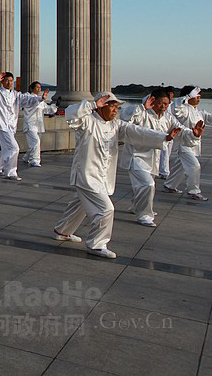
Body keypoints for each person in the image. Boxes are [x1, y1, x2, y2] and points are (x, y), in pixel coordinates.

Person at [53, 92, 178, 258]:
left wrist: (164, 137)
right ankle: (97, 244)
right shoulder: (87, 121)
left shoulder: (116, 125)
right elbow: (71, 114)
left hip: (102, 176)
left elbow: (138, 132)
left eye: (116, 107)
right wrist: (91, 105)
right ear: (101, 106)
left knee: (80, 203)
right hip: (86, 175)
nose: (115, 110)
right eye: (111, 106)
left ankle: (62, 231)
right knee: (106, 209)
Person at [120, 89, 197, 225]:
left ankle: (136, 206)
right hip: (136, 157)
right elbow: (124, 119)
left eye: (166, 104)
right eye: (160, 103)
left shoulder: (167, 117)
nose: (163, 106)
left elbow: (180, 129)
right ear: (153, 101)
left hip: (153, 158)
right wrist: (141, 107)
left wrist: (193, 134)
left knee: (142, 186)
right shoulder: (141, 112)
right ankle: (145, 215)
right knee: (147, 184)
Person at [163, 86, 212, 201]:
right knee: (194, 166)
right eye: (197, 95)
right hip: (183, 144)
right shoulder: (182, 109)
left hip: (193, 144)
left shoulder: (197, 111)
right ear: (189, 97)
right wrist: (188, 95)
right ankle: (194, 191)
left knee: (180, 166)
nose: (199, 97)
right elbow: (176, 105)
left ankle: (169, 185)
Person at [0, 72, 43, 181]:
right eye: (7, 80)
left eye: (11, 81)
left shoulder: (16, 94)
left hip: (11, 125)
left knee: (6, 149)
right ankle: (10, 172)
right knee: (14, 148)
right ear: (2, 81)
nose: (9, 83)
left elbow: (28, 100)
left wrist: (40, 99)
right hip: (1, 124)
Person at [21, 81, 58, 167]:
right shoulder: (28, 97)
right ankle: (34, 160)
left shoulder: (41, 100)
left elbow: (47, 109)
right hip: (30, 124)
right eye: (37, 87)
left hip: (39, 125)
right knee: (35, 141)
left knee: (34, 144)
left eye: (40, 88)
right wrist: (42, 98)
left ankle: (26, 158)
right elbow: (33, 101)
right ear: (32, 88)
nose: (39, 89)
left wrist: (55, 106)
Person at [156, 90, 176, 179]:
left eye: (166, 104)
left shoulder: (171, 106)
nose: (163, 106)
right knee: (163, 152)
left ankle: (162, 170)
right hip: (159, 136)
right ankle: (163, 171)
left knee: (166, 153)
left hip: (169, 132)